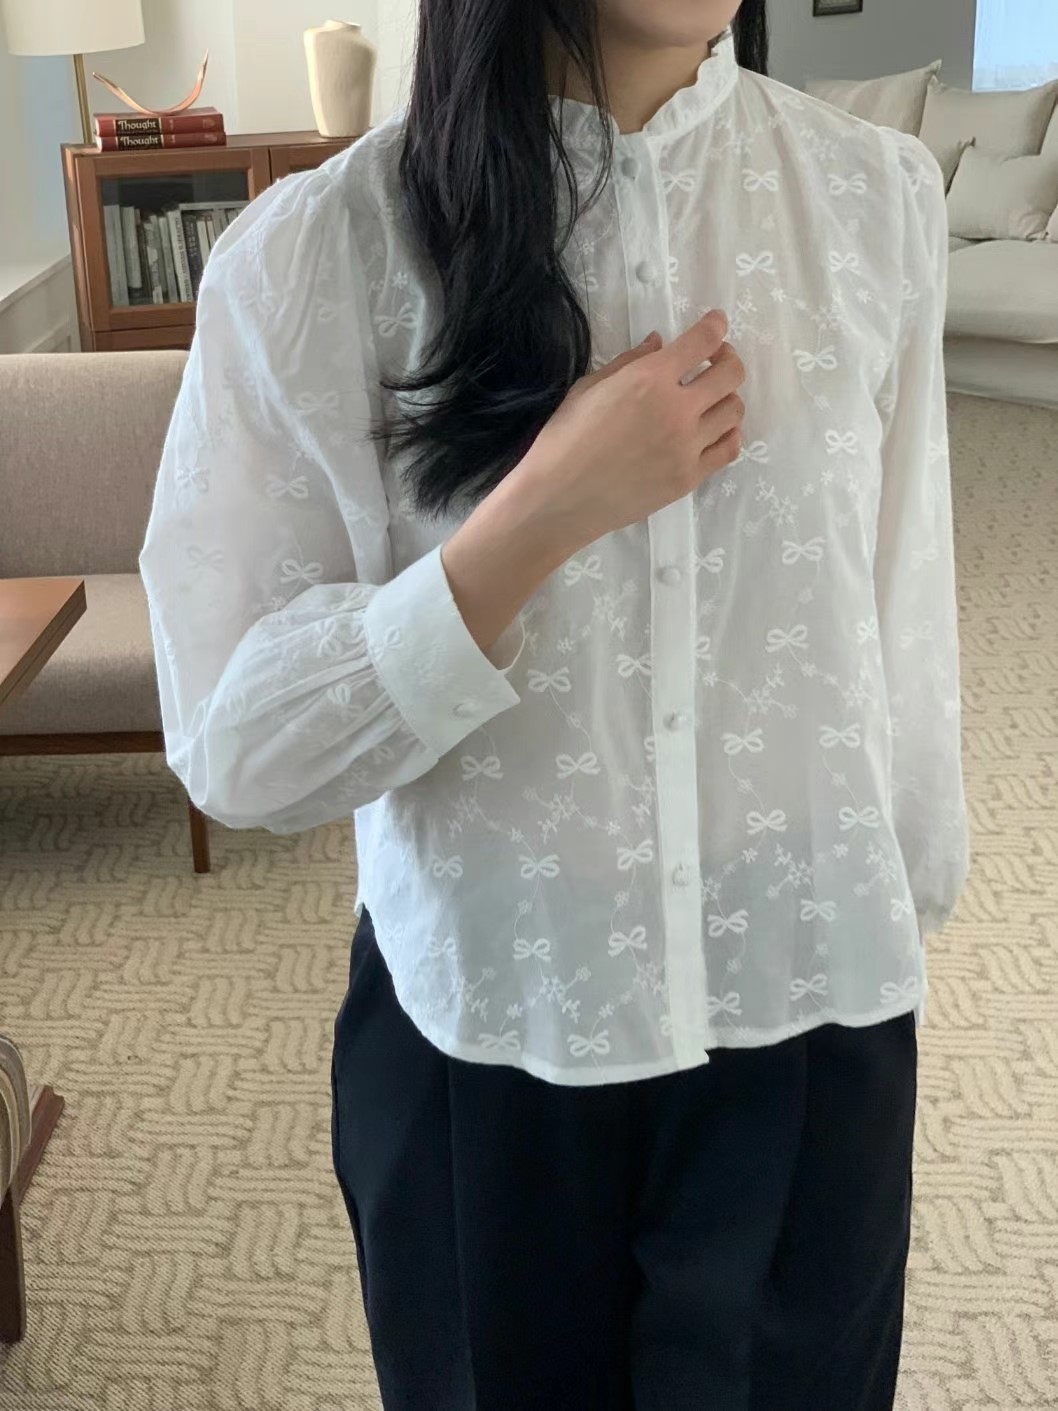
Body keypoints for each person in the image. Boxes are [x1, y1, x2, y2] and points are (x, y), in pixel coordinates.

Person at [139, 1, 971, 1406]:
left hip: (804, 1006)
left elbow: (900, 608)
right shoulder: (319, 253)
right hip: (488, 1028)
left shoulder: (874, 199)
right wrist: (530, 521)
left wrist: (895, 902)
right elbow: (235, 744)